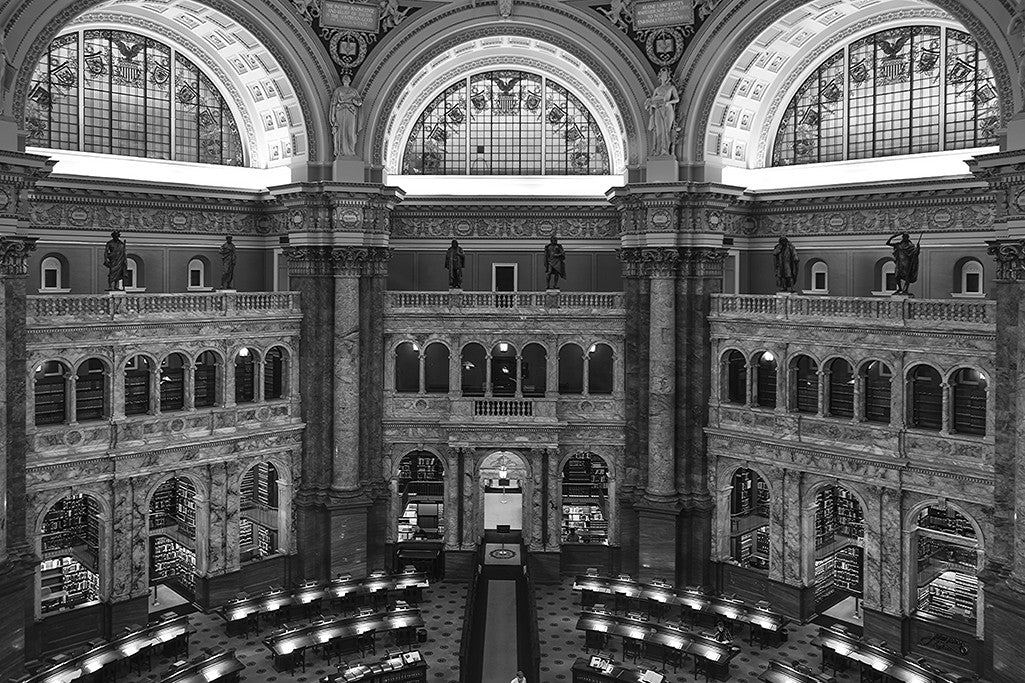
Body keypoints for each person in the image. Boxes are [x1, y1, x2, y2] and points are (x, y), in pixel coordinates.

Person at [645, 68, 680, 156]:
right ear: (660, 77)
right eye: (662, 75)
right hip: (658, 110)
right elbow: (652, 101)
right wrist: (653, 105)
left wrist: (669, 102)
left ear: (668, 76)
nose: (664, 77)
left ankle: (666, 151)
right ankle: (659, 151)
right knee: (659, 130)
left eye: (665, 75)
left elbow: (677, 99)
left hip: (668, 109)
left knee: (667, 130)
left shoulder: (671, 87)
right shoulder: (657, 89)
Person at [330, 73, 363, 158]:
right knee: (340, 131)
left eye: (347, 78)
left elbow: (359, 102)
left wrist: (356, 102)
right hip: (340, 111)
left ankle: (351, 151)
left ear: (350, 80)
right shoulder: (338, 90)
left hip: (351, 112)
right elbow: (334, 103)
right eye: (344, 78)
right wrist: (333, 117)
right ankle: (340, 151)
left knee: (350, 132)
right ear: (342, 80)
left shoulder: (353, 91)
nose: (346, 79)